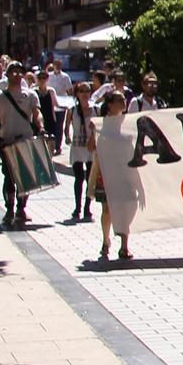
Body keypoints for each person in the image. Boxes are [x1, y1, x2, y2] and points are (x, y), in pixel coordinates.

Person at [0, 64, 45, 226]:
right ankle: (9, 208)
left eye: (20, 72)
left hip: (25, 140)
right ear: (7, 74)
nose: (17, 75)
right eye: (13, 72)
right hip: (7, 141)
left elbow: (36, 113)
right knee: (9, 177)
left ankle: (21, 208)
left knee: (25, 178)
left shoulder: (31, 95)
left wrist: (40, 126)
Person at [92, 91, 132, 260]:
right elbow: (90, 147)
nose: (123, 102)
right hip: (107, 171)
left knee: (124, 208)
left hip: (124, 171)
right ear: (110, 104)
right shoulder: (101, 124)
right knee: (107, 209)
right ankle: (105, 239)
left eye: (124, 99)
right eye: (119, 100)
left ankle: (124, 245)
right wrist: (93, 132)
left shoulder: (130, 122)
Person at [65, 80, 98, 220]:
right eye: (81, 91)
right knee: (79, 178)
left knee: (90, 179)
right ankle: (77, 207)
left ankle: (87, 208)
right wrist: (67, 136)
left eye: (87, 91)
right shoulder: (72, 110)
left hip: (91, 147)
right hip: (77, 147)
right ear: (77, 94)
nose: (85, 94)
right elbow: (67, 126)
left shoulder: (96, 109)